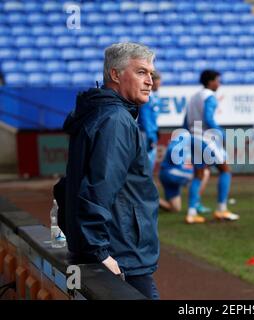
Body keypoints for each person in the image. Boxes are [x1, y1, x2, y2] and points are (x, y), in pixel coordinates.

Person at [63, 43, 160, 299]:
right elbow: (97, 188)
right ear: (115, 75)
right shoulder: (115, 120)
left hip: (109, 249)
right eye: (141, 72)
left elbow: (69, 185)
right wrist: (100, 252)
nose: (150, 81)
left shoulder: (99, 112)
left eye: (151, 73)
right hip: (120, 256)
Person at [183, 69, 239, 224]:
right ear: (210, 82)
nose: (219, 84)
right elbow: (208, 118)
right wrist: (221, 134)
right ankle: (221, 209)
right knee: (225, 170)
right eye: (217, 80)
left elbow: (185, 120)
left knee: (198, 175)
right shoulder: (210, 96)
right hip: (205, 138)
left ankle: (191, 213)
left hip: (193, 137)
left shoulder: (194, 97)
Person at [158, 131, 211, 213]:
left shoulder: (194, 141)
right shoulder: (186, 136)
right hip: (171, 172)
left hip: (167, 173)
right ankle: (196, 203)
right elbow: (173, 150)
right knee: (204, 173)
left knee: (175, 208)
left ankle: (148, 198)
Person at [138, 70, 161, 174]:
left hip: (151, 132)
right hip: (146, 133)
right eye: (157, 81)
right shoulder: (146, 97)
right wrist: (150, 135)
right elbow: (145, 118)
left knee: (150, 161)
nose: (159, 84)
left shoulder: (155, 97)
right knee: (147, 162)